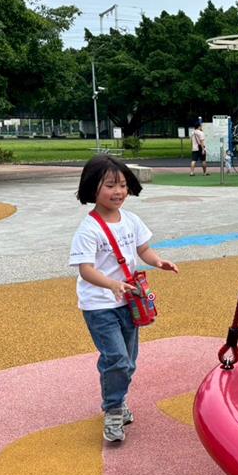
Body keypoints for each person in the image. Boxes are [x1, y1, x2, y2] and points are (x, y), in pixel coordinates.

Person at [69, 154, 179, 442]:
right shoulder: (89, 229)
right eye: (110, 186)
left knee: (128, 361)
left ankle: (117, 399)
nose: (118, 191)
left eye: (122, 185)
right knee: (116, 358)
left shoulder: (131, 220)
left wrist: (158, 261)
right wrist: (112, 285)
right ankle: (114, 409)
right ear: (92, 187)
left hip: (128, 302)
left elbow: (143, 250)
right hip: (99, 304)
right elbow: (86, 270)